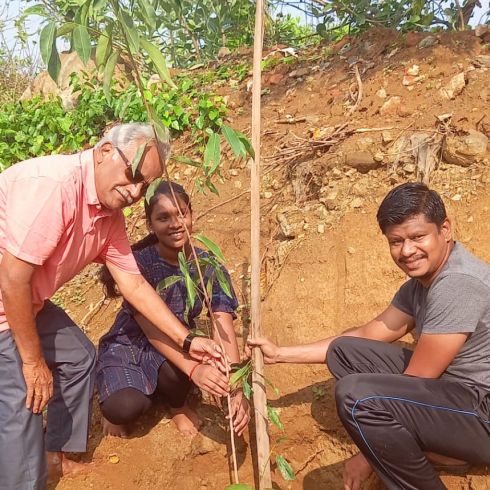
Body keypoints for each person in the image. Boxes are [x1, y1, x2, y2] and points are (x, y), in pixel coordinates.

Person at [0, 123, 225, 490]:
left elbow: (134, 285)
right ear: (105, 151)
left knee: (79, 357)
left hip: (28, 298)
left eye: (144, 185)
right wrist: (31, 361)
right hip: (8, 297)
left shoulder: (108, 219)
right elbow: (11, 277)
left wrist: (187, 340)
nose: (135, 191)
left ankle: (54, 456)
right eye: (133, 175)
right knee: (25, 398)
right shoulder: (54, 186)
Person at [248, 182, 490, 490]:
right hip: (456, 395)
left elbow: (420, 377)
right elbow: (368, 334)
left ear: (445, 230)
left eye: (418, 237)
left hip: (483, 412)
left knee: (357, 396)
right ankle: (445, 451)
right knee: (346, 351)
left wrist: (367, 456)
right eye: (396, 241)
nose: (407, 251)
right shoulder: (421, 284)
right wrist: (281, 353)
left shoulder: (457, 283)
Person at [96, 181, 250, 438]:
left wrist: (236, 388)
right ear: (150, 224)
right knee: (122, 409)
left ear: (192, 214)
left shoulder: (208, 266)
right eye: (163, 217)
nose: (175, 223)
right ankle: (116, 384)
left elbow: (223, 324)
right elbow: (148, 327)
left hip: (176, 342)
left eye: (182, 213)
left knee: (181, 372)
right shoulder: (138, 265)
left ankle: (177, 405)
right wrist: (194, 369)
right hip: (131, 342)